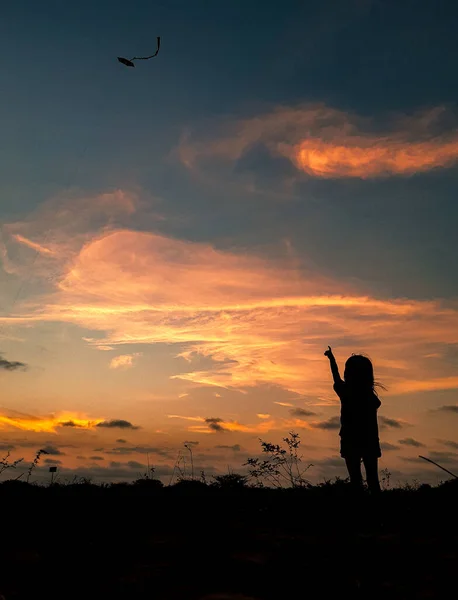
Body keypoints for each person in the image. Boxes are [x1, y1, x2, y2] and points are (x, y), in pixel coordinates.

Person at [324, 346, 383, 493]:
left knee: (356, 480)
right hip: (369, 439)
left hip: (350, 439)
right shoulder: (370, 396)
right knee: (372, 480)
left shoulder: (346, 392)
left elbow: (336, 376)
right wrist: (332, 360)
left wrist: (332, 360)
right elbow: (337, 376)